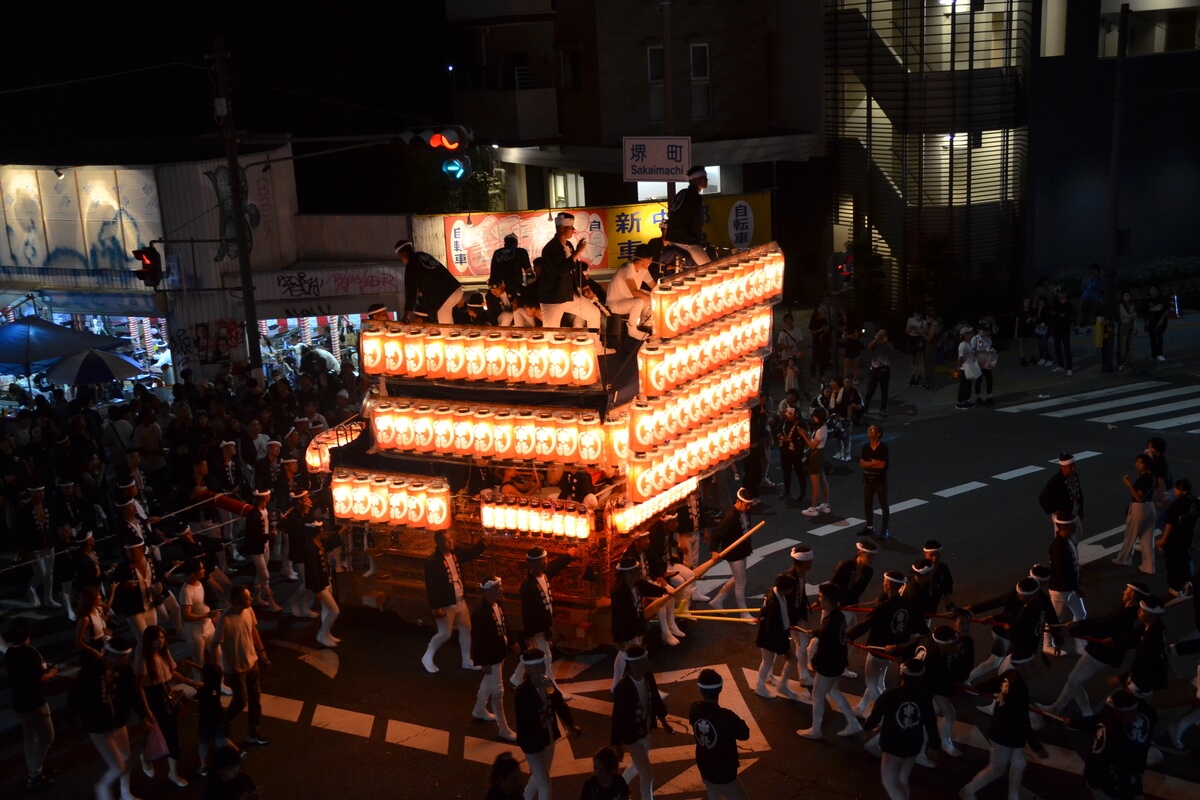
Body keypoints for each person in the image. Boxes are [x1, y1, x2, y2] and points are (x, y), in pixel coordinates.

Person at [1042, 581, 1146, 716]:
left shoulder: (1126, 615)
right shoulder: (1128, 611)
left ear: (1132, 595)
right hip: (1101, 650)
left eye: (1126, 590)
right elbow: (1103, 620)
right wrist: (1078, 624)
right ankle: (1055, 709)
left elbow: (1102, 625)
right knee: (1074, 679)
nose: (1123, 592)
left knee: (1073, 680)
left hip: (1102, 652)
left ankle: (1087, 714)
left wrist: (1074, 630)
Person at [76, 637, 152, 800]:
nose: (126, 659)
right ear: (111, 655)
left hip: (118, 722)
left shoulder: (124, 670)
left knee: (126, 756)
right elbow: (76, 697)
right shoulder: (90, 672)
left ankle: (125, 792)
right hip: (99, 728)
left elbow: (133, 694)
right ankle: (102, 789)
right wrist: (71, 720)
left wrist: (144, 716)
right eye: (122, 656)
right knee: (118, 766)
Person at [959, 668, 1046, 800]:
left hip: (1004, 728)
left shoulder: (1011, 674)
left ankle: (1013, 794)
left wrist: (979, 687)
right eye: (1031, 664)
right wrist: (1037, 747)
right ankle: (968, 791)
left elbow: (995, 682)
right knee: (996, 769)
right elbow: (1024, 722)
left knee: (1019, 763)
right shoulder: (1020, 689)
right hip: (1004, 734)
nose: (1033, 667)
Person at [848, 571, 924, 716]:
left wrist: (847, 636)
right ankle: (862, 707)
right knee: (876, 679)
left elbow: (865, 625)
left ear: (888, 585)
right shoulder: (907, 605)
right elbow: (915, 627)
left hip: (877, 649)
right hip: (893, 651)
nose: (883, 583)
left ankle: (886, 710)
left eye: (884, 581)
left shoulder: (884, 606)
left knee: (871, 682)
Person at [860, 659, 939, 800]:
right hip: (913, 745)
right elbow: (931, 723)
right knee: (902, 779)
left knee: (889, 781)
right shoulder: (925, 698)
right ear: (921, 678)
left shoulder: (890, 696)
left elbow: (874, 718)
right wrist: (934, 745)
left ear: (902, 674)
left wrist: (867, 728)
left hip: (892, 745)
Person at [796, 582, 862, 740]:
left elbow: (825, 646)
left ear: (826, 601)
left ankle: (816, 729)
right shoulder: (838, 616)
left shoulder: (830, 621)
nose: (819, 600)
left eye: (820, 597)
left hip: (828, 664)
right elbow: (828, 633)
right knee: (833, 690)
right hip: (839, 662)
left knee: (818, 695)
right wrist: (815, 632)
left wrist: (815, 662)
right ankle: (852, 722)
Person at [136, 625, 199, 787]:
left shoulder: (164, 654)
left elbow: (172, 673)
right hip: (154, 698)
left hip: (166, 695)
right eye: (157, 639)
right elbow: (140, 687)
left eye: (162, 638)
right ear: (149, 641)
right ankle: (153, 761)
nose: (161, 642)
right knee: (164, 734)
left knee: (167, 733)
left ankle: (166, 767)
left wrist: (191, 682)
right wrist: (147, 710)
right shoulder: (144, 659)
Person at [515, 648, 581, 800]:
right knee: (544, 783)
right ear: (527, 669)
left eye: (541, 665)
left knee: (539, 776)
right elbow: (525, 719)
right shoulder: (522, 692)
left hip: (549, 738)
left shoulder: (547, 682)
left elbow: (559, 704)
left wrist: (571, 724)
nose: (540, 670)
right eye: (535, 667)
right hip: (532, 745)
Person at [208, 586, 270, 747]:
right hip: (236, 669)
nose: (251, 600)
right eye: (247, 598)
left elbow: (252, 630)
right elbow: (213, 645)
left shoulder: (248, 611)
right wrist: (216, 667)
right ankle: (222, 725)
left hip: (252, 662)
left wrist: (261, 651)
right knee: (240, 701)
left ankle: (253, 731)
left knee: (255, 698)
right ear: (237, 601)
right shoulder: (225, 620)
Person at [611, 645, 672, 800]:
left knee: (637, 766)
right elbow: (617, 718)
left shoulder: (648, 677)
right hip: (632, 736)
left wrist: (664, 722)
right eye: (644, 660)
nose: (648, 663)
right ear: (633, 665)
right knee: (647, 773)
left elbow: (656, 701)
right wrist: (617, 745)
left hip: (646, 730)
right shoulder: (623, 689)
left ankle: (618, 790)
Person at [1069, 689, 1154, 799]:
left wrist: (1070, 722)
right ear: (1119, 713)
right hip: (1104, 782)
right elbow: (1122, 772)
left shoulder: (1106, 718)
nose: (1135, 715)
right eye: (1131, 712)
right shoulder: (1117, 737)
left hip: (1099, 776)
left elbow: (1090, 722)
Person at [421, 530, 486, 673]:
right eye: (446, 540)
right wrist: (436, 607)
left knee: (466, 629)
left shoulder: (455, 553)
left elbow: (470, 554)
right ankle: (427, 656)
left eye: (451, 538)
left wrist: (482, 543)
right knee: (445, 634)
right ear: (438, 543)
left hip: (460, 600)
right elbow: (431, 586)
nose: (450, 542)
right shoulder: (433, 562)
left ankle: (466, 660)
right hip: (446, 604)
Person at [4, 618, 57, 791]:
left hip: (19, 701)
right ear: (29, 633)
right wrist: (53, 672)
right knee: (47, 736)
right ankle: (34, 774)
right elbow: (39, 678)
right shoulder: (30, 652)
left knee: (30, 738)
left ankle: (36, 770)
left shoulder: (10, 653)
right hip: (35, 702)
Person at [512, 546, 573, 691]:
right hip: (538, 627)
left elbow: (556, 565)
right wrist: (528, 635)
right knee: (546, 657)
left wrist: (569, 555)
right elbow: (527, 612)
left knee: (534, 653)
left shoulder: (544, 575)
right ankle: (553, 689)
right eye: (542, 559)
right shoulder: (528, 586)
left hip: (545, 624)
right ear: (534, 563)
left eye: (545, 559)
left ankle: (516, 677)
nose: (546, 562)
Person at [690, 668, 750, 800]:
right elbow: (745, 734)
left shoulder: (694, 709)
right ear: (720, 688)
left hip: (704, 764)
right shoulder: (727, 717)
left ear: (700, 690)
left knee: (713, 793)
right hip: (724, 771)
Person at [610, 557, 669, 690]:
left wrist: (664, 592)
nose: (639, 573)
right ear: (628, 574)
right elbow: (617, 618)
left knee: (623, 657)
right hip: (627, 631)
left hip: (635, 627)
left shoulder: (636, 584)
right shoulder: (619, 593)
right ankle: (649, 688)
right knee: (639, 659)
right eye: (636, 571)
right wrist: (619, 639)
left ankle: (616, 684)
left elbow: (647, 588)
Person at [470, 575, 517, 741]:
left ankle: (479, 709)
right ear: (489, 590)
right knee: (498, 692)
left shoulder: (497, 605)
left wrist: (511, 642)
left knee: (488, 683)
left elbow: (505, 626)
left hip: (500, 652)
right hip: (492, 657)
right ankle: (503, 728)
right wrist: (483, 662)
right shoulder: (479, 613)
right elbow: (478, 640)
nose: (501, 590)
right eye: (498, 588)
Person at [540, 212, 602, 330]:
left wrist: (585, 287)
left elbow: (575, 266)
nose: (573, 230)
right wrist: (578, 252)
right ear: (562, 228)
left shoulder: (568, 245)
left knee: (594, 314)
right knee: (550, 331)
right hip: (554, 298)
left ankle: (596, 347)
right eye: (571, 227)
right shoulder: (550, 248)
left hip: (569, 294)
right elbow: (562, 269)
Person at [754, 573, 803, 699]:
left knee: (769, 661)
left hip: (771, 635)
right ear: (785, 589)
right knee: (771, 662)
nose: (792, 590)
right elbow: (772, 628)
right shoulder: (774, 605)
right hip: (770, 638)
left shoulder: (772, 592)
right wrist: (780, 646)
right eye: (791, 588)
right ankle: (760, 687)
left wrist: (759, 617)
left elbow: (763, 609)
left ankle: (769, 678)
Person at [709, 487, 755, 617]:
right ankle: (743, 612)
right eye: (746, 505)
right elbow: (716, 534)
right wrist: (713, 551)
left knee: (737, 578)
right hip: (734, 553)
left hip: (742, 549)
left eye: (750, 505)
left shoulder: (745, 511)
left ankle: (717, 600)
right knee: (741, 582)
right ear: (738, 501)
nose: (748, 508)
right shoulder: (730, 517)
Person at [395, 239, 464, 324]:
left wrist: (407, 313)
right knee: (450, 321)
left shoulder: (411, 265)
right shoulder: (423, 255)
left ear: (401, 254)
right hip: (456, 289)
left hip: (444, 296)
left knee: (446, 328)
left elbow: (411, 290)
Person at [1047, 512, 1087, 655]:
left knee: (1081, 613)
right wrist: (1077, 588)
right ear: (1064, 527)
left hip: (1070, 588)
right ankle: (1047, 644)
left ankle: (1080, 644)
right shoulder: (1058, 547)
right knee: (1055, 619)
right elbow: (1064, 572)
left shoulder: (1067, 541)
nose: (1075, 526)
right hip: (1060, 590)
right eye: (1073, 524)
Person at [1114, 454, 1155, 573]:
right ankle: (1149, 567)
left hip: (1139, 508)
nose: (1137, 464)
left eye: (1140, 463)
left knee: (1130, 535)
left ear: (1146, 465)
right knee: (1147, 539)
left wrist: (1128, 484)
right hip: (1150, 507)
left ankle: (1123, 559)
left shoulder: (1143, 478)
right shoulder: (1151, 476)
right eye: (1136, 462)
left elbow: (1138, 497)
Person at [302, 521, 341, 648]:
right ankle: (322, 634)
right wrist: (317, 590)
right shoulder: (310, 548)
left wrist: (343, 530)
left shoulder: (318, 543)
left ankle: (326, 633)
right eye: (320, 529)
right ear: (317, 532)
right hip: (321, 586)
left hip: (326, 580)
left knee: (326, 610)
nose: (323, 531)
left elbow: (330, 542)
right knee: (334, 611)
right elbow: (312, 571)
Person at [605, 245, 656, 340]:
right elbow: (634, 292)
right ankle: (632, 329)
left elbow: (654, 287)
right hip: (616, 303)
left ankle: (643, 322)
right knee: (640, 301)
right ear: (644, 260)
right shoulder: (627, 268)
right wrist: (655, 299)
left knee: (652, 295)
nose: (651, 262)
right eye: (650, 260)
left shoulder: (643, 270)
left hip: (628, 300)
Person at [1158, 478, 1198, 598]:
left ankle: (1175, 588)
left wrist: (1163, 539)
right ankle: (1188, 581)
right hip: (1187, 536)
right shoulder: (1195, 501)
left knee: (1172, 563)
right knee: (1185, 560)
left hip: (1175, 538)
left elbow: (1170, 523)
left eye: (1177, 489)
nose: (1175, 490)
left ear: (1184, 491)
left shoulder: (1176, 504)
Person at [669, 166, 711, 265]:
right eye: (704, 178)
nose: (706, 180)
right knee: (709, 267)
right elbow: (695, 221)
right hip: (685, 241)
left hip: (672, 238)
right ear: (696, 180)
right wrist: (696, 242)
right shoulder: (694, 197)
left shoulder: (681, 193)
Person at [1039, 452, 1086, 540]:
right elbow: (1043, 498)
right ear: (1062, 467)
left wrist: (1080, 511)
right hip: (1063, 520)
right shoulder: (1056, 481)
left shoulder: (1075, 476)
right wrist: (1054, 510)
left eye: (1074, 465)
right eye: (1070, 466)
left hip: (1074, 516)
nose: (1073, 468)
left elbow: (1079, 492)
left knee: (1077, 538)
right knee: (1065, 541)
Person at [798, 407, 832, 517]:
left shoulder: (821, 430)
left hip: (816, 456)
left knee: (815, 483)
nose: (813, 418)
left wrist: (803, 435)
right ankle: (826, 505)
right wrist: (808, 434)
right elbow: (814, 440)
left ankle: (813, 508)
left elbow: (812, 445)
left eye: (815, 416)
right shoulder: (822, 427)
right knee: (822, 480)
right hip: (819, 455)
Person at [489, 233, 536, 310]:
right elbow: (529, 271)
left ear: (505, 243)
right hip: (515, 286)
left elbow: (493, 271)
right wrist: (532, 287)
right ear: (516, 243)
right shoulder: (521, 251)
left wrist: (493, 287)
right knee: (517, 308)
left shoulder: (497, 253)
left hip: (497, 287)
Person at [860, 423, 890, 539]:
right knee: (867, 503)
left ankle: (884, 529)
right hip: (868, 479)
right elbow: (862, 463)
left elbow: (882, 465)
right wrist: (874, 463)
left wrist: (870, 464)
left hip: (879, 480)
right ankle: (869, 526)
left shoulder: (883, 447)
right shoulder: (866, 447)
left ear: (878, 434)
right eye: (869, 429)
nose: (869, 430)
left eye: (872, 430)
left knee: (883, 504)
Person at [861, 328, 894, 417]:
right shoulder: (875, 343)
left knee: (884, 390)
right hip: (875, 368)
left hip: (885, 368)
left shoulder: (887, 344)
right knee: (870, 389)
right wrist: (876, 339)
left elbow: (891, 348)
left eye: (883, 334)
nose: (881, 335)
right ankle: (866, 407)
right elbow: (869, 347)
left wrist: (885, 341)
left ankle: (883, 409)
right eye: (880, 333)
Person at [1048, 287, 1075, 375]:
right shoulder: (1055, 304)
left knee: (1067, 348)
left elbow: (1070, 316)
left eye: (1061, 293)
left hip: (1065, 329)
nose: (1060, 295)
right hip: (1056, 328)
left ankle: (1069, 367)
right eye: (1059, 293)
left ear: (1065, 294)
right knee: (1057, 348)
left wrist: (1064, 316)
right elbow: (1053, 314)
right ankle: (1061, 365)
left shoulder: (1069, 305)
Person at [970, 322, 998, 406]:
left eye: (987, 330)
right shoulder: (975, 339)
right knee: (978, 380)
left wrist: (991, 352)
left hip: (986, 362)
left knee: (989, 379)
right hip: (977, 362)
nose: (986, 332)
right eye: (984, 330)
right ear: (979, 330)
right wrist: (983, 351)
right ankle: (979, 397)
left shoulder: (988, 338)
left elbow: (989, 348)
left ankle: (989, 396)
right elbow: (972, 351)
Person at [955, 324, 978, 410]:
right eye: (969, 333)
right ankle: (961, 402)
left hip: (970, 366)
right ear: (965, 335)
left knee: (968, 385)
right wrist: (959, 367)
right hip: (965, 367)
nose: (971, 334)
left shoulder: (969, 343)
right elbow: (960, 357)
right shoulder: (963, 345)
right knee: (964, 385)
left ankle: (966, 401)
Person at [1143, 284, 1168, 361]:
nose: (1153, 290)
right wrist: (1145, 324)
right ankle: (1154, 355)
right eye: (1151, 289)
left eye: (1155, 289)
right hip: (1151, 321)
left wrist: (1162, 319)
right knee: (1152, 338)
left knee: (1159, 336)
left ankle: (1160, 354)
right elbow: (1145, 313)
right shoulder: (1147, 300)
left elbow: (1166, 310)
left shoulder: (1162, 298)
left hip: (1160, 319)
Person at [1014, 297, 1037, 367]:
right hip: (1021, 329)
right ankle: (1022, 358)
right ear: (1023, 303)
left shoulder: (1032, 311)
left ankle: (1032, 356)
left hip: (1029, 329)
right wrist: (1015, 332)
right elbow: (1017, 322)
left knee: (1031, 343)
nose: (1027, 303)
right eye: (1025, 302)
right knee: (1021, 344)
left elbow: (1035, 321)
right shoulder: (1019, 311)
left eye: (1028, 302)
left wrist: (1031, 318)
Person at [1117, 290, 1138, 369]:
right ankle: (1121, 363)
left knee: (1130, 346)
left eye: (1128, 295)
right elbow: (1127, 315)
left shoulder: (1132, 304)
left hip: (1131, 326)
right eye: (1125, 296)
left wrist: (1135, 328)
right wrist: (1134, 314)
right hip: (1124, 325)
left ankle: (1128, 361)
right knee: (1122, 346)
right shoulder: (1121, 305)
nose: (1126, 297)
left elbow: (1133, 318)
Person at [905, 310, 926, 385]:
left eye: (918, 314)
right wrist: (911, 328)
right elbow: (907, 331)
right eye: (915, 314)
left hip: (919, 339)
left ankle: (919, 377)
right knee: (913, 360)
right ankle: (913, 377)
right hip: (912, 339)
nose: (916, 316)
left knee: (919, 360)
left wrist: (918, 330)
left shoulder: (924, 322)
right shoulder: (910, 320)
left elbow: (924, 333)